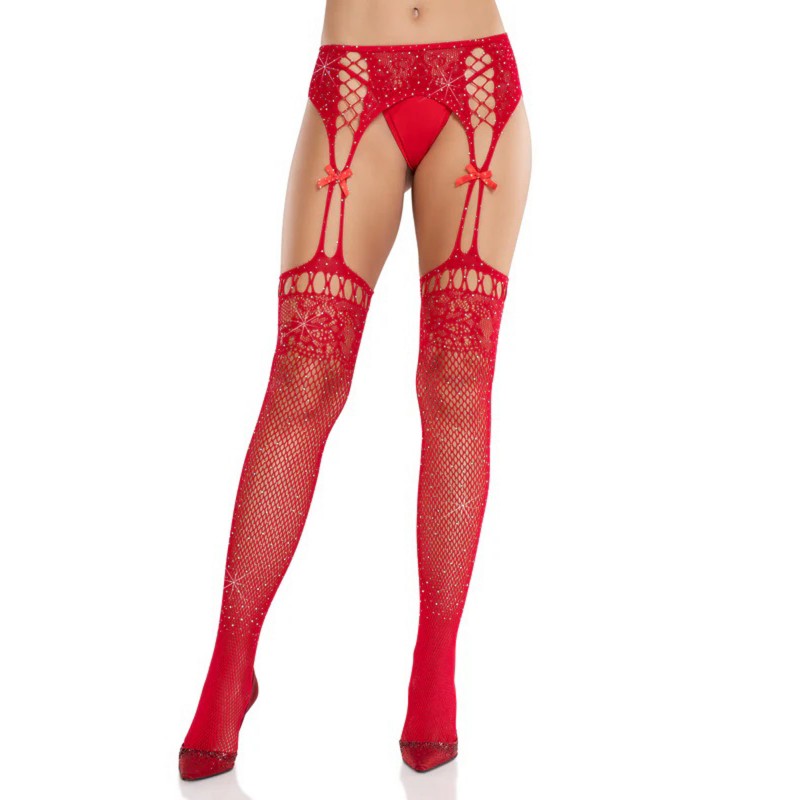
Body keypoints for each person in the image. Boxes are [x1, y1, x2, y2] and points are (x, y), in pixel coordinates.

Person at [178, 0, 532, 779]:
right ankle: (230, 667)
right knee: (303, 377)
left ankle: (434, 670)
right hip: (355, 76)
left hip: (476, 76)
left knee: (457, 378)